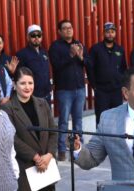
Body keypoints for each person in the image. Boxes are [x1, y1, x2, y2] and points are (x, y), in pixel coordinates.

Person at [2, 67, 58, 191]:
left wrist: (49, 155)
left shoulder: (42, 103)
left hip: (45, 166)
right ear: (15, 85)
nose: (27, 87)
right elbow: (11, 138)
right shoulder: (8, 109)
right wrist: (34, 157)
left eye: (30, 83)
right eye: (23, 83)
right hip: (24, 167)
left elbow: (53, 131)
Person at [49, 19, 87, 161]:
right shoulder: (55, 47)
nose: (68, 30)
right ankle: (62, 150)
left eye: (70, 27)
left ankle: (79, 150)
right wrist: (70, 56)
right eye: (64, 28)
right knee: (63, 121)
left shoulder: (79, 44)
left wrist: (81, 57)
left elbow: (86, 63)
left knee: (78, 120)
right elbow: (56, 66)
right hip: (64, 89)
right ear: (59, 31)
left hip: (80, 88)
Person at [87, 22, 127, 125]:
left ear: (115, 33)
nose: (110, 34)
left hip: (116, 90)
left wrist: (121, 83)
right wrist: (94, 86)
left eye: (112, 32)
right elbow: (90, 68)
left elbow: (124, 68)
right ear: (103, 33)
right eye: (108, 32)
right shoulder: (96, 49)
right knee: (101, 118)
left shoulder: (120, 49)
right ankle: (101, 141)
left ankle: (116, 140)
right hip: (101, 90)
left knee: (117, 118)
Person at [16, 25, 52, 102]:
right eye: (33, 35)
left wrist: (49, 88)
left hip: (46, 94)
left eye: (39, 35)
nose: (36, 38)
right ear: (28, 37)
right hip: (32, 95)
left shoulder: (44, 52)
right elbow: (19, 75)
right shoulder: (22, 54)